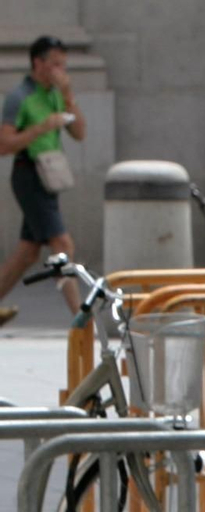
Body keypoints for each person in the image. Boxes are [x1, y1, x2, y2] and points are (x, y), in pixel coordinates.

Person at [0, 35, 89, 328]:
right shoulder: (20, 97)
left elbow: (79, 133)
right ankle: (80, 317)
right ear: (38, 63)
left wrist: (69, 96)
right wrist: (41, 128)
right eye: (55, 65)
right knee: (62, 243)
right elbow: (4, 144)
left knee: (27, 252)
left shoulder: (56, 94)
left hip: (50, 176)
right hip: (29, 173)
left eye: (64, 65)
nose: (60, 71)